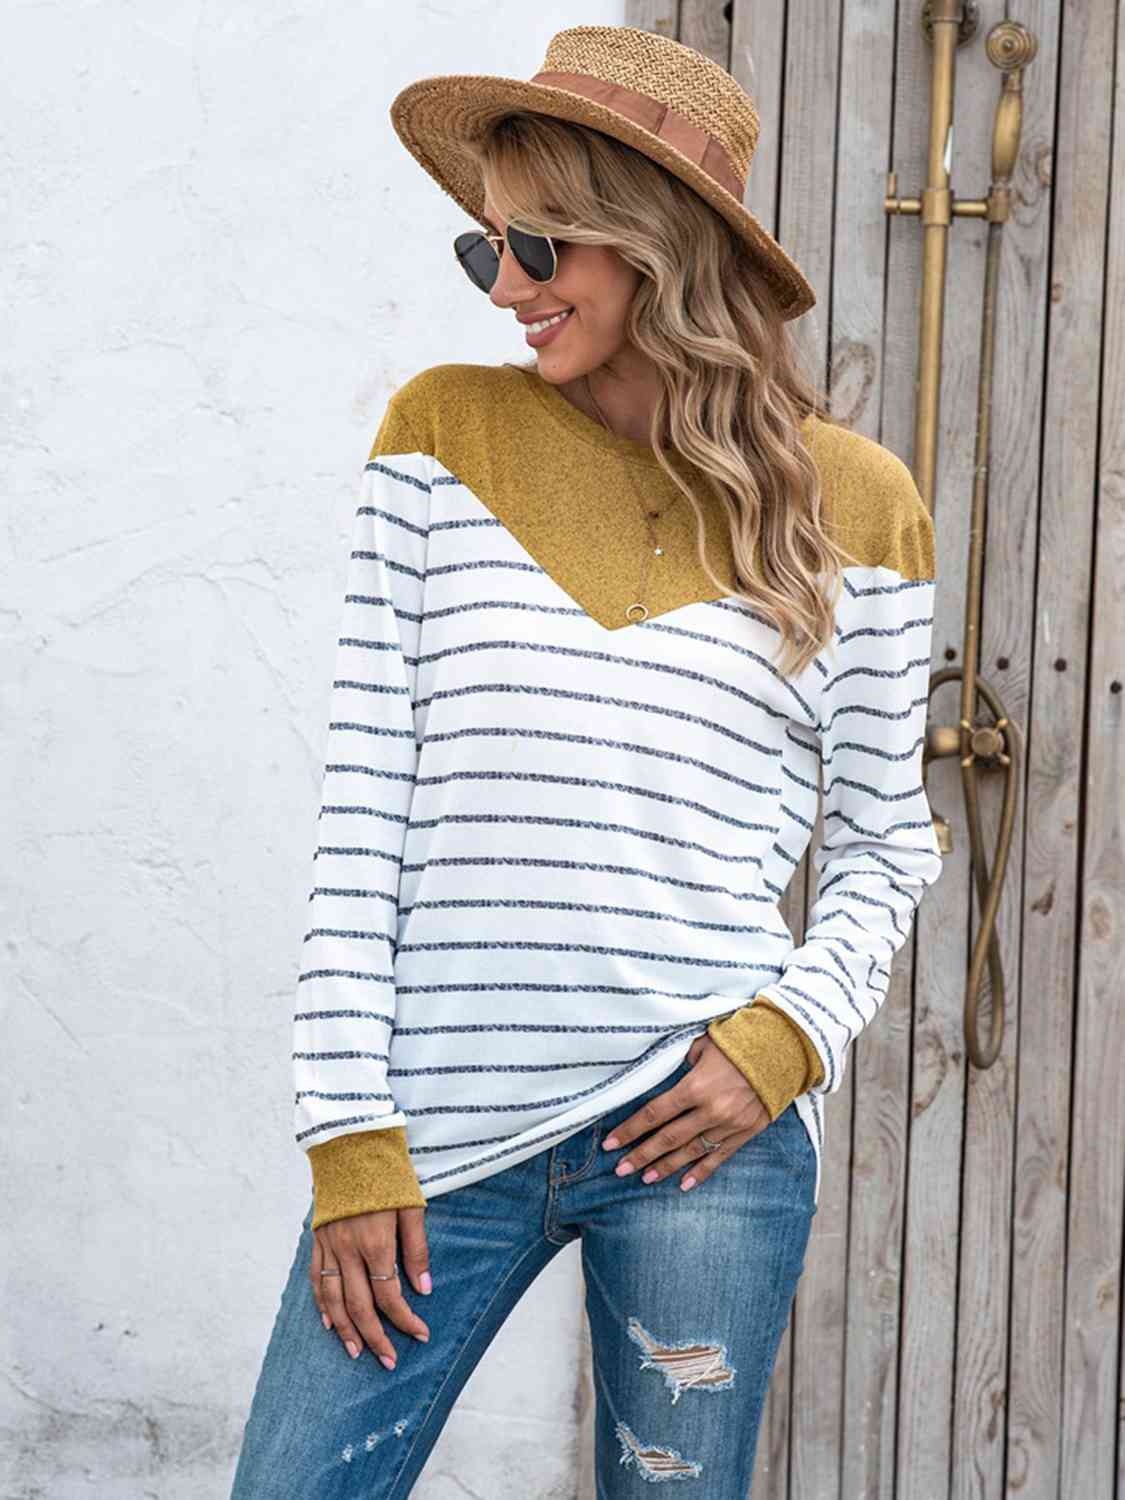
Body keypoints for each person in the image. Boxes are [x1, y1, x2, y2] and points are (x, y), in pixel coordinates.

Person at [230, 24, 943, 1498]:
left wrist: (784, 1040)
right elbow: (364, 807)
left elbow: (887, 842)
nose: (507, 288)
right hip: (432, 1139)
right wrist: (347, 1132)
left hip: (702, 1136)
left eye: (539, 245)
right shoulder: (443, 438)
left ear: (657, 244)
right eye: (482, 249)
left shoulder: (858, 507)